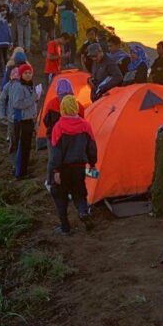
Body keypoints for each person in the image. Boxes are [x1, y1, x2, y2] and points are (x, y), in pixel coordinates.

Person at [48, 95, 98, 235]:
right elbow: (92, 148)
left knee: (60, 196)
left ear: (62, 108)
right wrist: (92, 164)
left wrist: (56, 170)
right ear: (75, 107)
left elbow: (56, 152)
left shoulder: (58, 127)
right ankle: (83, 212)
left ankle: (65, 227)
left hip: (63, 169)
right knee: (79, 194)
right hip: (79, 167)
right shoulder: (85, 125)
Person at [0, 63, 38, 179]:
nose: (28, 75)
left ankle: (23, 171)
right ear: (21, 74)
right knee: (20, 147)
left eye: (30, 73)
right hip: (21, 121)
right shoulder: (18, 86)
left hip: (28, 119)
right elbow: (17, 103)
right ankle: (19, 172)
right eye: (25, 73)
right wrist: (32, 99)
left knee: (26, 147)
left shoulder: (28, 85)